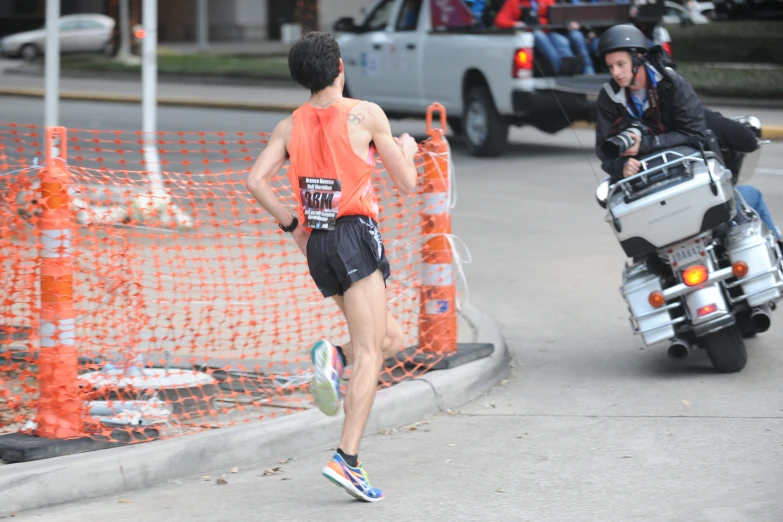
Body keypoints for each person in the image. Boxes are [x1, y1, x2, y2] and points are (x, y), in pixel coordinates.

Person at [245, 31, 419, 502]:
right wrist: (408, 150)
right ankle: (348, 460)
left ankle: (334, 356)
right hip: (355, 237)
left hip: (319, 244)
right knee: (373, 354)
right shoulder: (365, 114)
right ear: (339, 66)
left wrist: (293, 228)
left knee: (390, 337)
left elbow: (255, 180)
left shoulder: (289, 126)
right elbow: (406, 184)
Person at [594, 24, 782, 244]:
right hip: (649, 194)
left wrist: (644, 145)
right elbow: (604, 150)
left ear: (639, 59)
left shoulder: (672, 84)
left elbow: (696, 134)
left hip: (695, 178)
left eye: (621, 64)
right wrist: (621, 166)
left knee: (743, 213)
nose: (615, 73)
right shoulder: (609, 97)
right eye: (610, 67)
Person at [494, 0, 595, 75]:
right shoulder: (516, 2)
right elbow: (500, 20)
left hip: (549, 32)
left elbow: (557, 15)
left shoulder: (546, 0)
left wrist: (567, 23)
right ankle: (559, 67)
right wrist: (515, 23)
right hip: (532, 34)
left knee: (561, 41)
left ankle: (571, 67)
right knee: (539, 36)